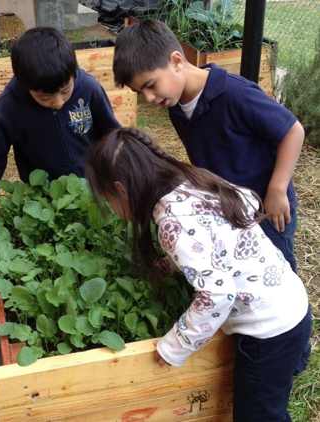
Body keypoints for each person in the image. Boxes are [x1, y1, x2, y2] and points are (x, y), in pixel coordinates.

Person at [85, 127, 311, 422]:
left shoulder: (170, 222)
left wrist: (175, 346)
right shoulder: (190, 182)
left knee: (258, 415)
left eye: (107, 200)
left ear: (121, 190)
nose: (112, 210)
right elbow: (214, 239)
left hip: (268, 331)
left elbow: (218, 294)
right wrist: (172, 267)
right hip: (288, 303)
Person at [112, 19, 305, 274]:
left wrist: (277, 189)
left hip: (267, 208)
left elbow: (293, 130)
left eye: (150, 85)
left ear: (177, 61)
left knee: (277, 268)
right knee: (245, 268)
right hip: (231, 206)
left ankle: (296, 313)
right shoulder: (176, 107)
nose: (148, 98)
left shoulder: (235, 94)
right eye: (141, 92)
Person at [0, 26, 121, 195]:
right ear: (25, 85)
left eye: (66, 91)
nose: (58, 102)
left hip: (93, 186)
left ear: (73, 74)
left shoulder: (89, 88)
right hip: (46, 195)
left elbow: (113, 134)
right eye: (45, 98)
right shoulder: (8, 107)